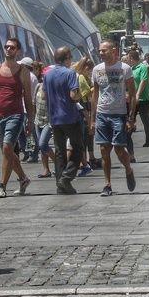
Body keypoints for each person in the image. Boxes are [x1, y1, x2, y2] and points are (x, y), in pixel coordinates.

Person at [0, 38, 35, 198]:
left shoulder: (23, 72)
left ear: (17, 51)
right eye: (6, 47)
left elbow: (27, 98)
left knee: (6, 148)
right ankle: (23, 178)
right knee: (7, 151)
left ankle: (2, 186)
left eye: (12, 47)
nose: (8, 49)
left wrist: (30, 119)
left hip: (16, 115)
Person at [91, 41, 137, 197]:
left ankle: (128, 169)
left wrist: (131, 118)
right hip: (102, 114)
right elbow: (95, 95)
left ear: (113, 51)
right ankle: (107, 184)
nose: (101, 53)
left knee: (118, 149)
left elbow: (132, 94)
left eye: (104, 50)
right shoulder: (97, 69)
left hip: (119, 114)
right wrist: (92, 118)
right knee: (104, 150)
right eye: (100, 51)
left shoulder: (125, 69)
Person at [43, 47, 83, 194]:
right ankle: (66, 178)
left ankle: (60, 185)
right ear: (66, 58)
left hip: (54, 117)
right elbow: (74, 95)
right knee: (78, 148)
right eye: (70, 56)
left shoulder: (47, 74)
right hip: (70, 116)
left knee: (59, 151)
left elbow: (44, 95)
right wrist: (80, 96)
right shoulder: (70, 73)